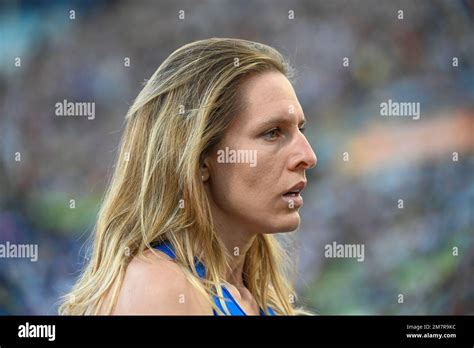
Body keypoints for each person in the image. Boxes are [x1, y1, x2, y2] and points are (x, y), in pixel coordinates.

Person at [59, 38, 317, 315]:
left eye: (300, 129)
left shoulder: (260, 301)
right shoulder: (159, 287)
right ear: (200, 158)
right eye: (272, 132)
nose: (308, 156)